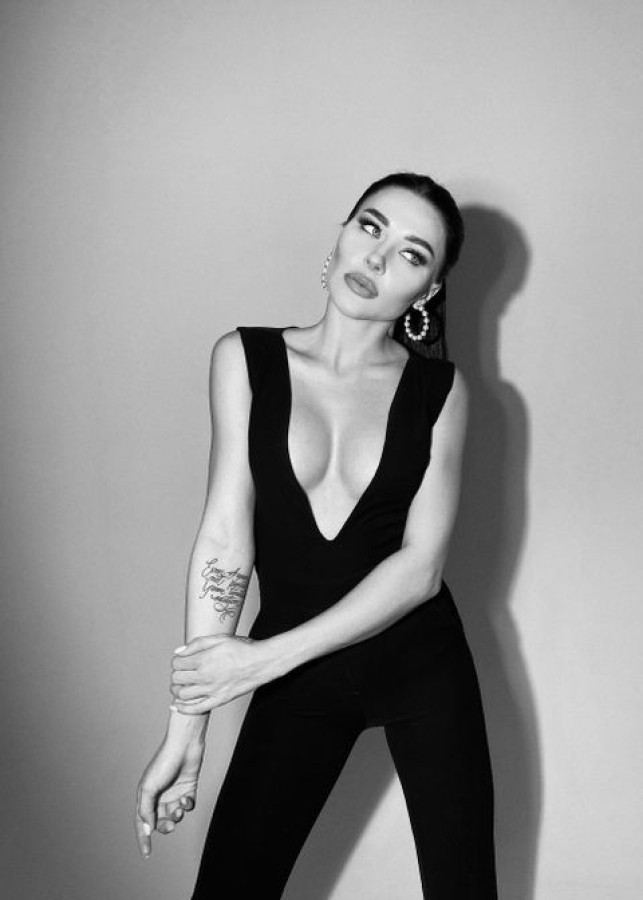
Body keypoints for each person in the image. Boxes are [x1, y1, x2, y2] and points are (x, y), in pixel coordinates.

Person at [135, 172, 498, 898]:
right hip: (296, 680)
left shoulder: (441, 391)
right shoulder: (244, 359)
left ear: (426, 292)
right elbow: (225, 541)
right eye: (370, 227)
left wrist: (261, 660)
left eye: (411, 254)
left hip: (421, 666)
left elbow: (420, 570)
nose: (376, 258)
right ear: (342, 233)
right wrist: (188, 729)